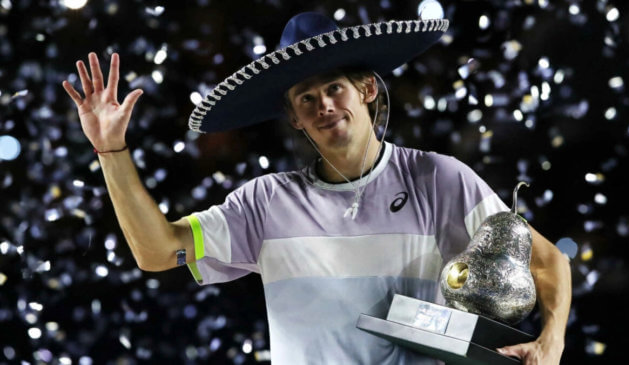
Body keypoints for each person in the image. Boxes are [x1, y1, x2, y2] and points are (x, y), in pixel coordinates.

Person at [63, 12, 571, 365]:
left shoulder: (438, 178)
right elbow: (157, 252)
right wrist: (112, 152)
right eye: (306, 98)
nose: (324, 104)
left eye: (335, 88)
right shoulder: (264, 203)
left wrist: (551, 344)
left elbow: (549, 261)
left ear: (367, 90)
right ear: (295, 119)